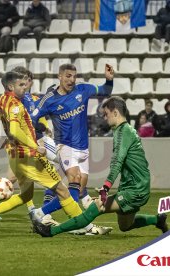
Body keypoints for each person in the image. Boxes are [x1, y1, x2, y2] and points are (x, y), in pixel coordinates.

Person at [32, 96, 169, 237]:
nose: (105, 117)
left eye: (107, 114)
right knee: (125, 226)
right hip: (134, 186)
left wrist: (105, 188)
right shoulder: (126, 130)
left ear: (115, 113)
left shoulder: (123, 132)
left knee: (95, 208)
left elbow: (117, 162)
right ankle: (157, 220)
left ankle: (50, 231)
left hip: (135, 190)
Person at [0, 70, 83, 235]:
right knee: (61, 188)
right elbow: (14, 128)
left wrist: (44, 128)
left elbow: (32, 118)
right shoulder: (16, 103)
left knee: (25, 194)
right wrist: (34, 145)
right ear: (11, 85)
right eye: (22, 83)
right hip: (29, 152)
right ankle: (83, 226)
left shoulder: (5, 100)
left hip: (17, 152)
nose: (26, 85)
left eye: (27, 82)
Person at [29, 63, 114, 235]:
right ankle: (82, 227)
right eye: (68, 76)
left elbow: (105, 90)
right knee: (73, 183)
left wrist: (109, 80)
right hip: (65, 146)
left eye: (74, 76)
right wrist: (38, 139)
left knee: (78, 192)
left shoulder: (83, 89)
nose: (72, 79)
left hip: (83, 148)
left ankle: (40, 213)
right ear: (59, 77)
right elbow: (30, 119)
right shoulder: (49, 99)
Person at [0, 66, 50, 220]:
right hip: (19, 144)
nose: (26, 82)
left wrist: (45, 127)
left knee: (25, 179)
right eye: (23, 80)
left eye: (28, 79)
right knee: (15, 178)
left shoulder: (32, 99)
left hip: (33, 141)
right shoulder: (13, 99)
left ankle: (32, 208)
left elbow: (39, 116)